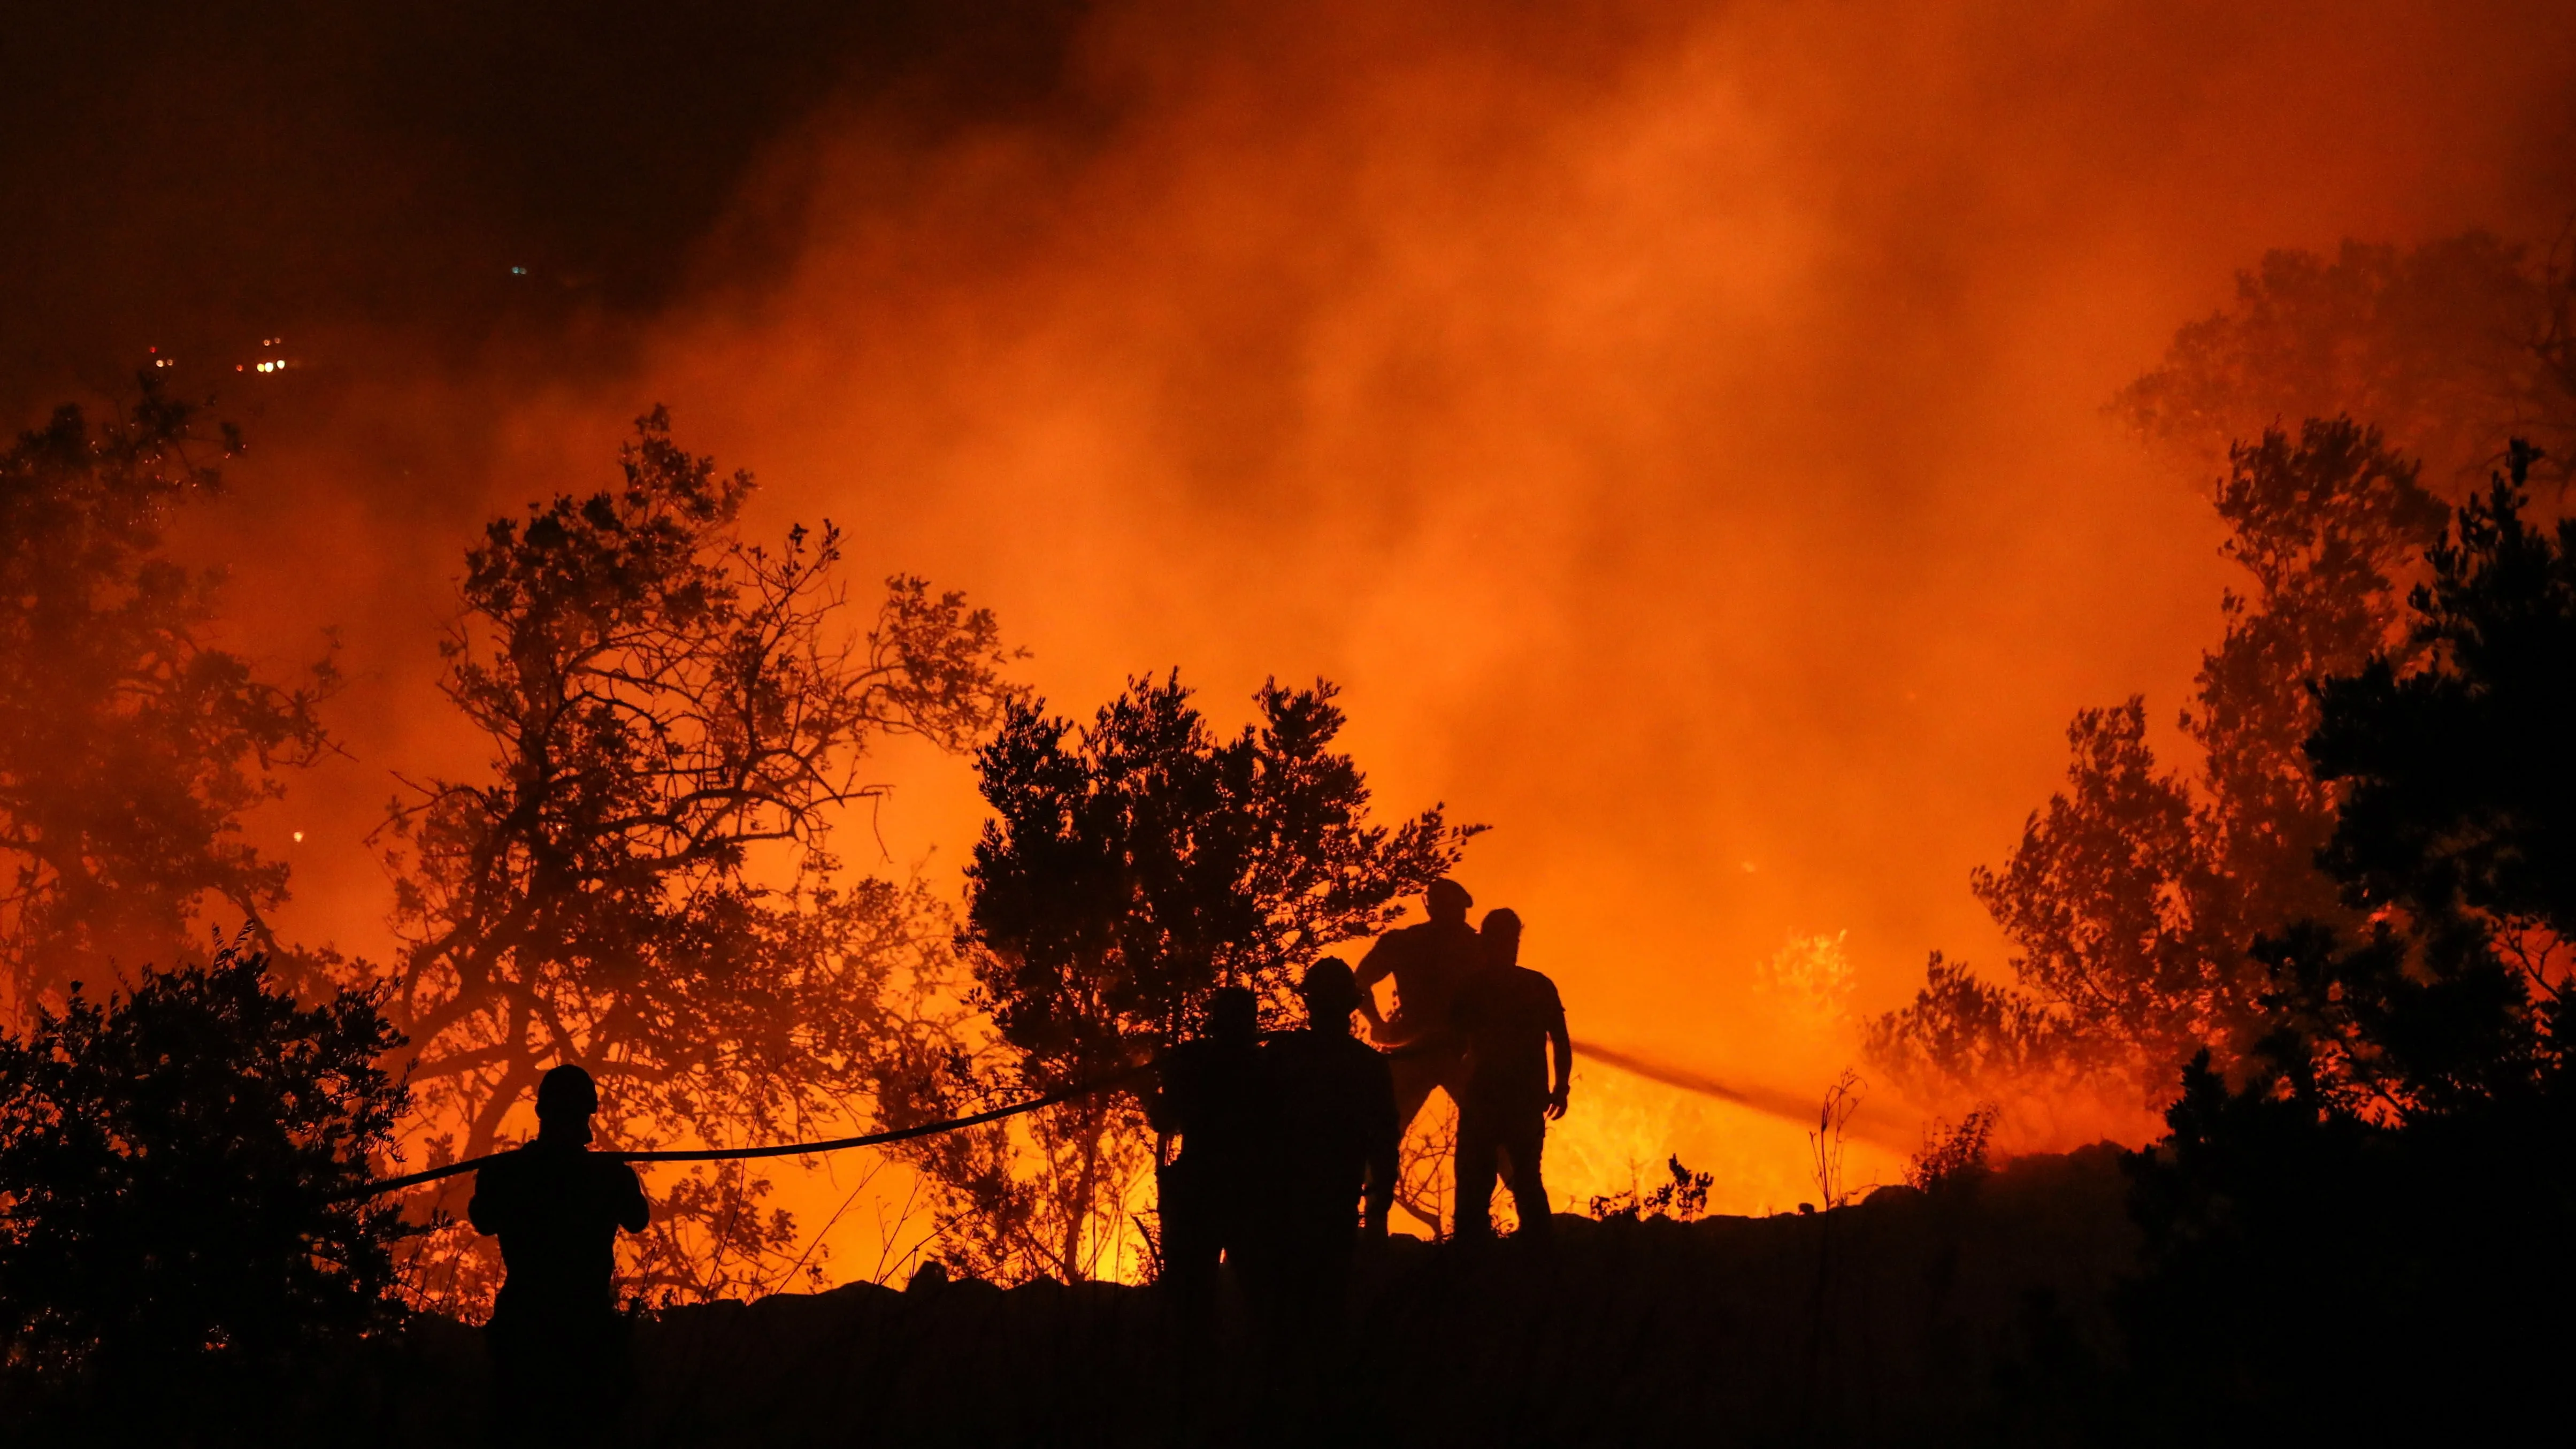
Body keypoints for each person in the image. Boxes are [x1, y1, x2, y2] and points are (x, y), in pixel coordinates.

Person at [1245, 958, 1399, 1425]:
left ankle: (1277, 1414)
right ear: (1351, 1008)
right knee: (1327, 1311)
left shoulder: (1280, 1055)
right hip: (1331, 1204)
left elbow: (1253, 1128)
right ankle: (1329, 1411)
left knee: (1281, 1317)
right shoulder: (1367, 1065)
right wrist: (1378, 1205)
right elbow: (1384, 1141)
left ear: (1309, 1004)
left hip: (1282, 1208)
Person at [469, 1064, 650, 1448]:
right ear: (588, 1114)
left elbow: (482, 1217)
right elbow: (637, 1218)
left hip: (526, 1327)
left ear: (541, 1112)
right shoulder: (608, 1176)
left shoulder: (506, 1173)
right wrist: (618, 1175)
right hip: (584, 1330)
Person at [1147, 986, 1267, 1327]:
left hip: (1201, 1193)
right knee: (1259, 1300)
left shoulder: (1193, 1061)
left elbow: (1163, 1119)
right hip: (1248, 1194)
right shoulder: (1266, 1066)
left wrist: (1161, 1092)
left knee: (1191, 1305)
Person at [1449, 909, 1570, 1241]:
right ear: (1487, 942)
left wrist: (1561, 1087)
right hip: (1504, 1100)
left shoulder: (1476, 987)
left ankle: (1473, 1252)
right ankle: (1536, 1252)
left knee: (1497, 1180)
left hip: (1495, 1100)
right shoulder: (1534, 985)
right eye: (1505, 940)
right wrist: (1560, 1089)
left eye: (1512, 940)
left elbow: (1560, 1040)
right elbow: (1560, 1040)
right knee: (1519, 1179)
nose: (1510, 947)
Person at [1352, 879, 1486, 1137]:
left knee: (1384, 1134)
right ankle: (1515, 1177)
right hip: (1459, 1052)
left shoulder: (1404, 942)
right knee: (1489, 1133)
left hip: (1414, 1049)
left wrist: (1378, 1024)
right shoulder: (1477, 947)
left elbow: (1358, 982)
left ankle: (1369, 1176)